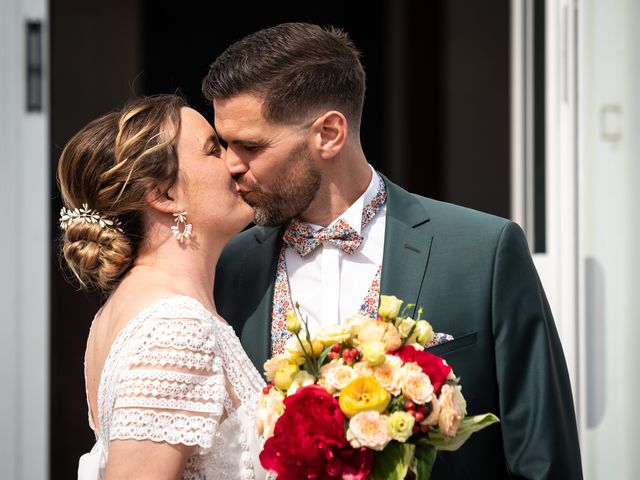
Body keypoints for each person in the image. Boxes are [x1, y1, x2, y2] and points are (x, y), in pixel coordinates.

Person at [203, 22, 583, 479]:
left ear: (328, 134)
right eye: (224, 144)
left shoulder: (483, 252)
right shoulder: (227, 267)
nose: (230, 164)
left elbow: (545, 459)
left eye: (249, 145)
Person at [57, 94, 268, 479]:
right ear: (164, 194)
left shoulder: (135, 309)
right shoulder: (176, 328)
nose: (235, 161)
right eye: (213, 150)